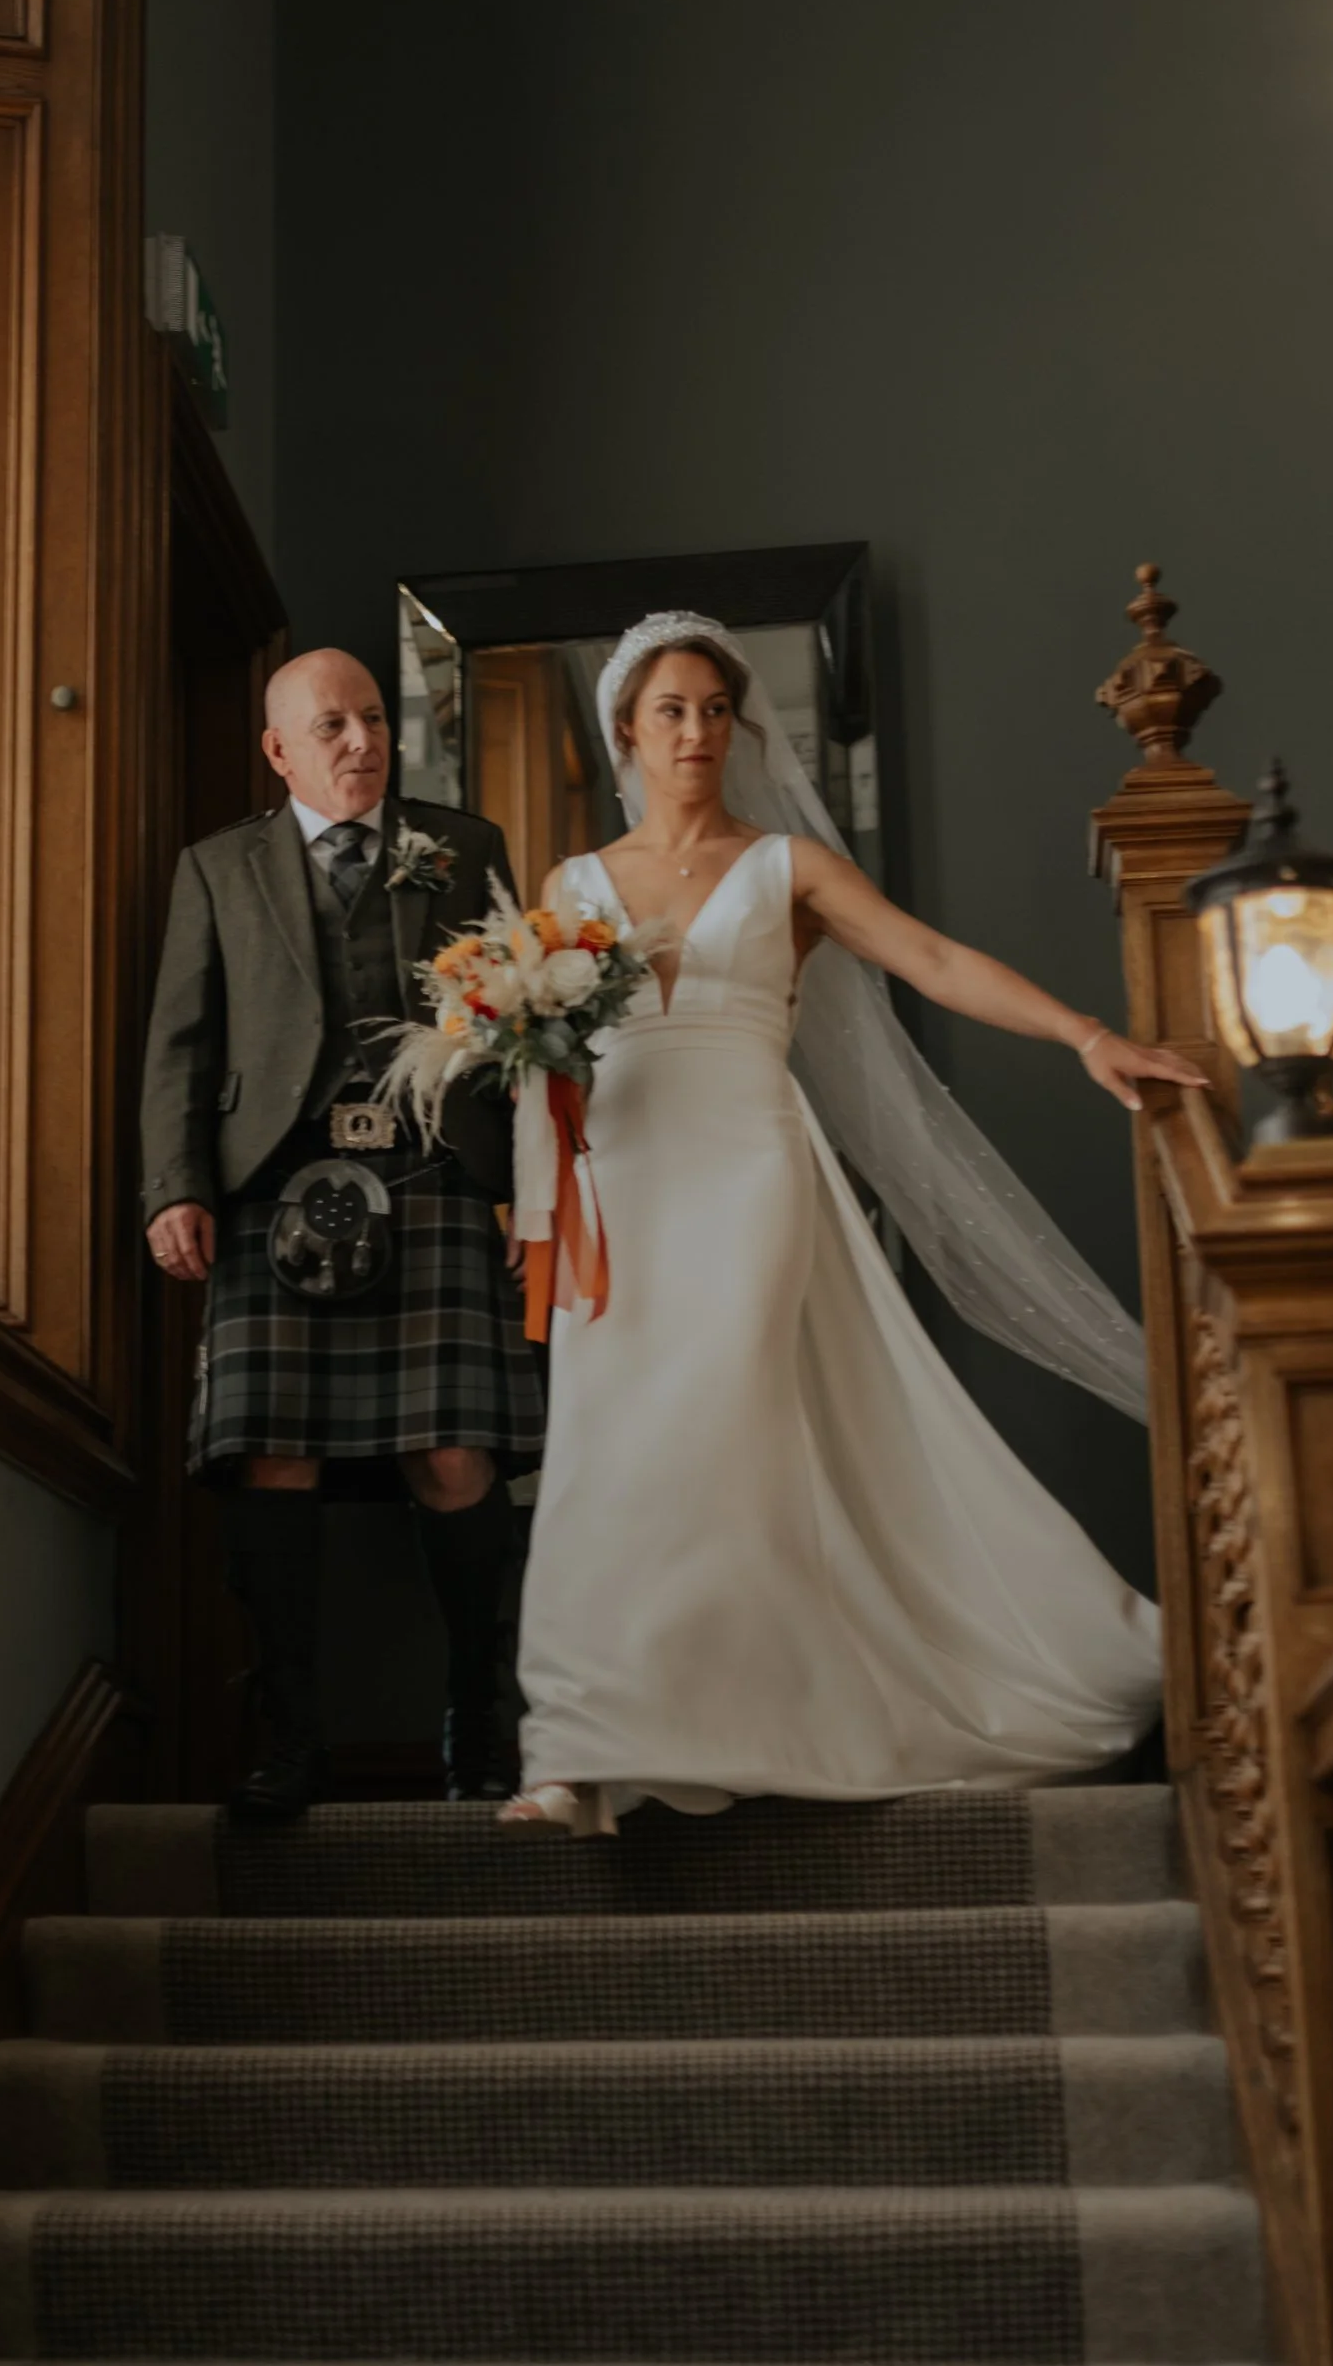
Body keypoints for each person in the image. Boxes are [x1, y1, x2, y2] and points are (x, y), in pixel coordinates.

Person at [506, 612, 1205, 1834]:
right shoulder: (568, 886)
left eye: (714, 711)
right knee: (604, 1446)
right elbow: (538, 1063)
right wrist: (543, 1210)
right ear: (626, 729)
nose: (696, 733)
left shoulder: (787, 868)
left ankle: (744, 1718)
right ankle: (575, 1750)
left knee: (718, 1429)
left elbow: (931, 958)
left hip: (748, 1170)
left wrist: (1087, 1036)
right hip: (621, 1183)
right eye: (670, 711)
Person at [142, 648, 541, 1820]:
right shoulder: (217, 868)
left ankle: (482, 1725)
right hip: (273, 1186)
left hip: (437, 1176)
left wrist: (530, 1186)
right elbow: (181, 1041)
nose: (361, 742)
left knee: (457, 1458)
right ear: (279, 750)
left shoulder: (464, 846)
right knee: (272, 1458)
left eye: (372, 719)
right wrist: (175, 1185)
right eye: (331, 727)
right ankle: (291, 1741)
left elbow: (518, 1023)